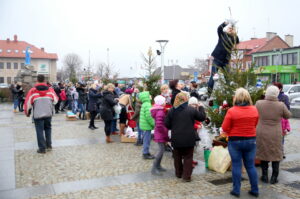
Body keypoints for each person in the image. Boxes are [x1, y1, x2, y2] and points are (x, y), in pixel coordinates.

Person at [221, 88, 259, 198]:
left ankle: (236, 190)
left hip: (235, 141)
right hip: (251, 140)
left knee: (236, 165)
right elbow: (255, 124)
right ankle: (255, 190)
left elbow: (224, 127)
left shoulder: (232, 111)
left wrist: (230, 131)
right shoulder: (254, 110)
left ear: (236, 98)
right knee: (250, 166)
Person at [165, 92, 206, 182]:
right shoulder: (191, 109)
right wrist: (201, 107)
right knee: (188, 157)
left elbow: (167, 124)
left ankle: (179, 173)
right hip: (189, 137)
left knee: (177, 156)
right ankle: (186, 176)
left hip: (176, 137)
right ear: (185, 99)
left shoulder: (172, 110)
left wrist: (175, 126)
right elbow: (202, 117)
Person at [256, 86, 291, 184]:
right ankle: (274, 177)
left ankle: (264, 176)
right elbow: (288, 115)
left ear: (266, 93)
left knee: (263, 153)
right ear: (277, 94)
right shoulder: (281, 105)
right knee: (276, 154)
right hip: (275, 133)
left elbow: (255, 114)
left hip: (262, 131)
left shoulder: (259, 103)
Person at [24, 75, 58, 153]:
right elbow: (56, 100)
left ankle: (42, 148)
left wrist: (27, 112)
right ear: (44, 81)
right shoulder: (50, 90)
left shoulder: (33, 91)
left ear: (37, 80)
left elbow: (27, 103)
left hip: (38, 114)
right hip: (48, 113)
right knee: (48, 129)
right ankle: (49, 145)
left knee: (39, 131)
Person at [208, 20, 239, 95]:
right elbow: (219, 28)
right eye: (229, 28)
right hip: (217, 59)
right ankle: (209, 93)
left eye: (232, 29)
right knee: (213, 76)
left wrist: (235, 33)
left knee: (228, 78)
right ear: (227, 29)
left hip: (226, 61)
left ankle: (230, 93)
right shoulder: (222, 34)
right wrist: (225, 23)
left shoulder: (234, 38)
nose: (230, 30)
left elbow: (237, 41)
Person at [151, 95, 169, 175]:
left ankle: (158, 166)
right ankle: (154, 168)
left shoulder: (160, 110)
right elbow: (159, 125)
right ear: (161, 103)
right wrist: (165, 131)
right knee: (161, 151)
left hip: (160, 133)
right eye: (164, 101)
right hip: (160, 133)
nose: (165, 102)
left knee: (162, 150)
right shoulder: (160, 112)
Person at [274, 82, 290, 158]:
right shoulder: (270, 96)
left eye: (276, 87)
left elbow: (288, 109)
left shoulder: (284, 97)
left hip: (281, 120)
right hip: (272, 120)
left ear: (280, 89)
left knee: (281, 138)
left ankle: (281, 152)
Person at [139, 91, 155, 159]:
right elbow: (149, 116)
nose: (150, 96)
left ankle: (146, 152)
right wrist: (154, 124)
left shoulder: (144, 104)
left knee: (146, 139)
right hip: (146, 126)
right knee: (146, 140)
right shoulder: (148, 104)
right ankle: (145, 153)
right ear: (146, 97)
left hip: (144, 125)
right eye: (149, 95)